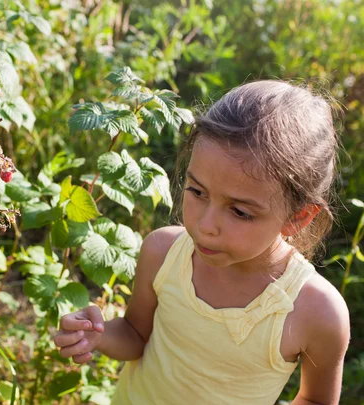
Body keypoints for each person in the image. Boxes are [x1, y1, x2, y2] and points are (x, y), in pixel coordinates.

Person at [54, 81, 351, 404]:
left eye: (239, 211)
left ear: (299, 217)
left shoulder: (316, 312)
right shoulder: (163, 253)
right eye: (197, 192)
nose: (205, 225)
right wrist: (95, 334)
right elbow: (136, 334)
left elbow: (317, 399)